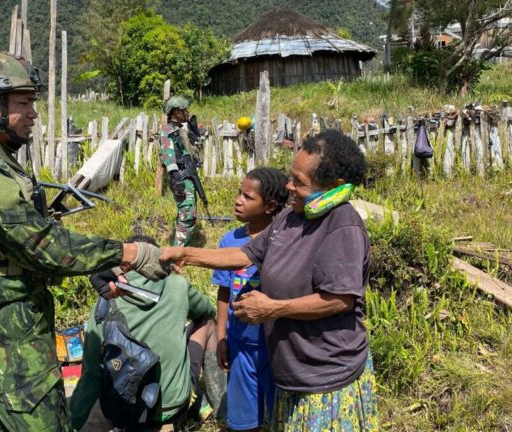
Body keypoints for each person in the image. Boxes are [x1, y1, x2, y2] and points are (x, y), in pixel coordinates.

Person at [0, 50, 167, 431]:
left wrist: (98, 267)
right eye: (24, 103)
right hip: (6, 334)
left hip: (13, 323)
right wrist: (128, 252)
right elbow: (39, 244)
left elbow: (11, 252)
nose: (34, 114)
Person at [162, 130, 379, 431]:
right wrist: (186, 253)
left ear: (334, 188)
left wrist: (273, 308)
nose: (289, 186)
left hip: (326, 377)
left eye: (299, 182)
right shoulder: (289, 219)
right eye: (291, 177)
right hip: (292, 371)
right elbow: (244, 254)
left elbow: (339, 299)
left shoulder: (342, 226)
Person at [70, 236, 216, 431]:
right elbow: (207, 310)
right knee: (208, 322)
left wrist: (77, 417)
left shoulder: (107, 297)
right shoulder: (178, 285)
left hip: (126, 405)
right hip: (172, 405)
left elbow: (91, 371)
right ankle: (220, 402)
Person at [212, 167, 288, 431]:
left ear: (270, 206)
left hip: (276, 345)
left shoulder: (284, 241)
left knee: (280, 414)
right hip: (240, 343)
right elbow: (223, 292)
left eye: (247, 196)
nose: (238, 200)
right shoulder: (229, 241)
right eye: (239, 192)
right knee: (244, 418)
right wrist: (222, 335)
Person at [159, 96, 202, 246]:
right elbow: (167, 155)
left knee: (186, 212)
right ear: (176, 112)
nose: (187, 112)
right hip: (181, 177)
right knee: (188, 215)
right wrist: (175, 176)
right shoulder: (167, 131)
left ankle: (181, 248)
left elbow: (192, 151)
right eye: (184, 110)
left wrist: (194, 131)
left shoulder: (180, 130)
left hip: (188, 175)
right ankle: (177, 253)